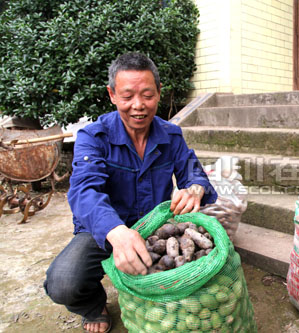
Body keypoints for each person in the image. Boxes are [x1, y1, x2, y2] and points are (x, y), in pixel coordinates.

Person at [44, 52, 217, 333]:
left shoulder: (171, 134)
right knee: (63, 283)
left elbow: (194, 173)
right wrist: (116, 231)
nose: (138, 106)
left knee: (188, 272)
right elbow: (84, 190)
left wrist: (195, 189)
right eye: (127, 96)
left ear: (159, 94)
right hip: (105, 229)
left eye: (147, 95)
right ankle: (93, 305)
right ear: (112, 95)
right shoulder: (93, 136)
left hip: (155, 229)